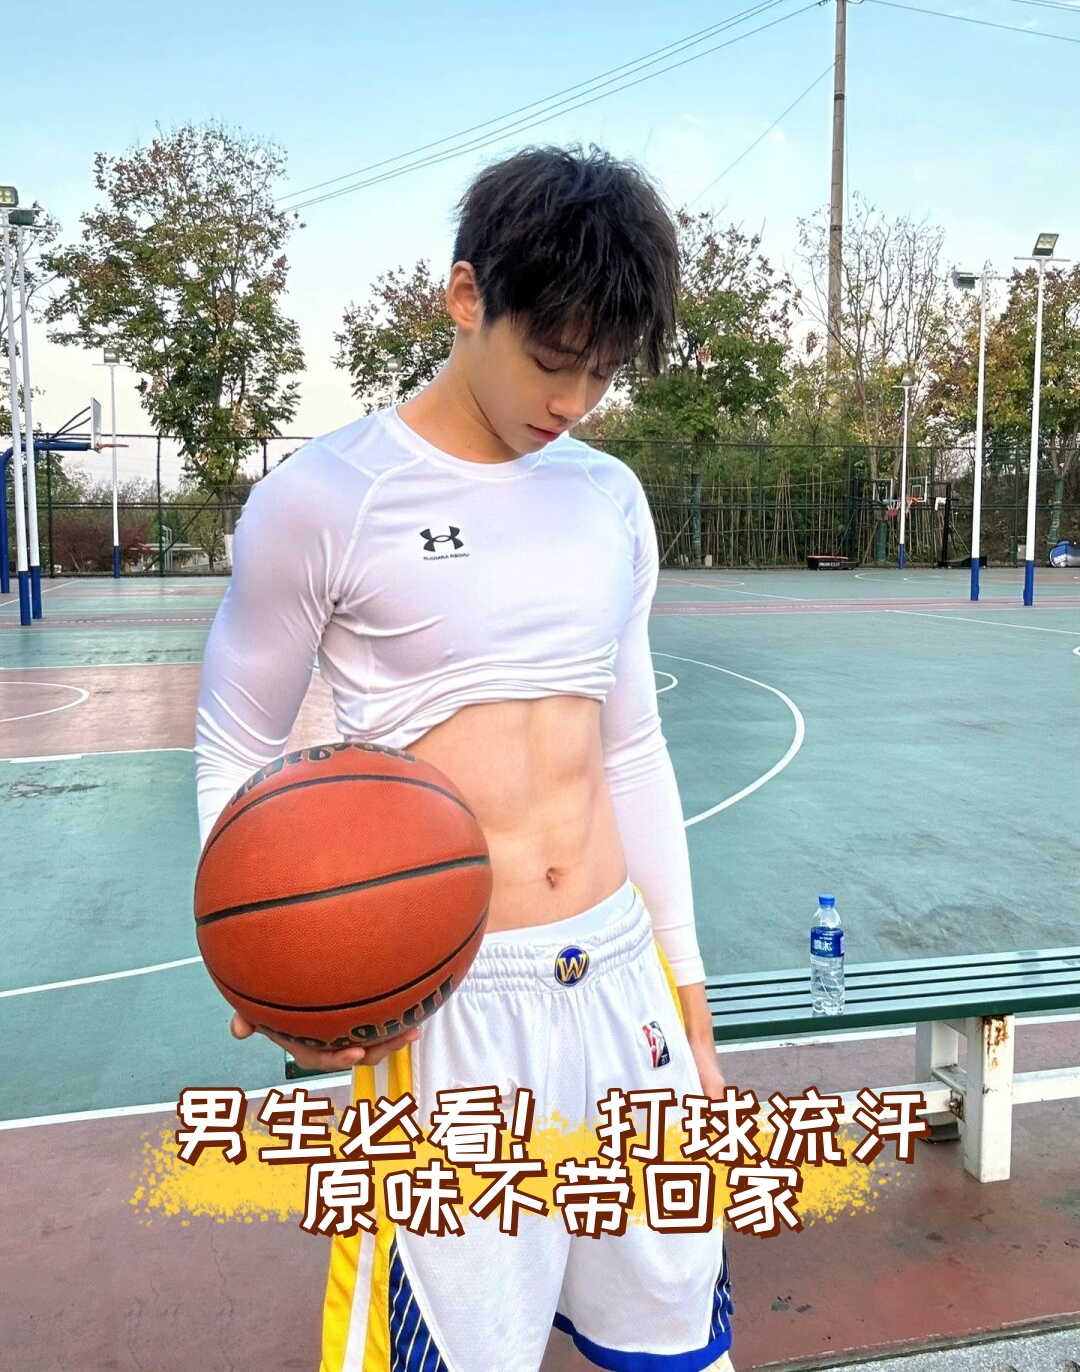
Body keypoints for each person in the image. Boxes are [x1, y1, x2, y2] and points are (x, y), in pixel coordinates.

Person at [195, 145, 733, 1372]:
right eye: (552, 357)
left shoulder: (610, 499)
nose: (575, 399)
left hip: (623, 981)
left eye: (604, 370)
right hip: (448, 1007)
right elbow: (236, 737)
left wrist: (690, 1003)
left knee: (676, 1339)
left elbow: (631, 749)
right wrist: (272, 973)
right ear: (464, 295)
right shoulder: (325, 498)